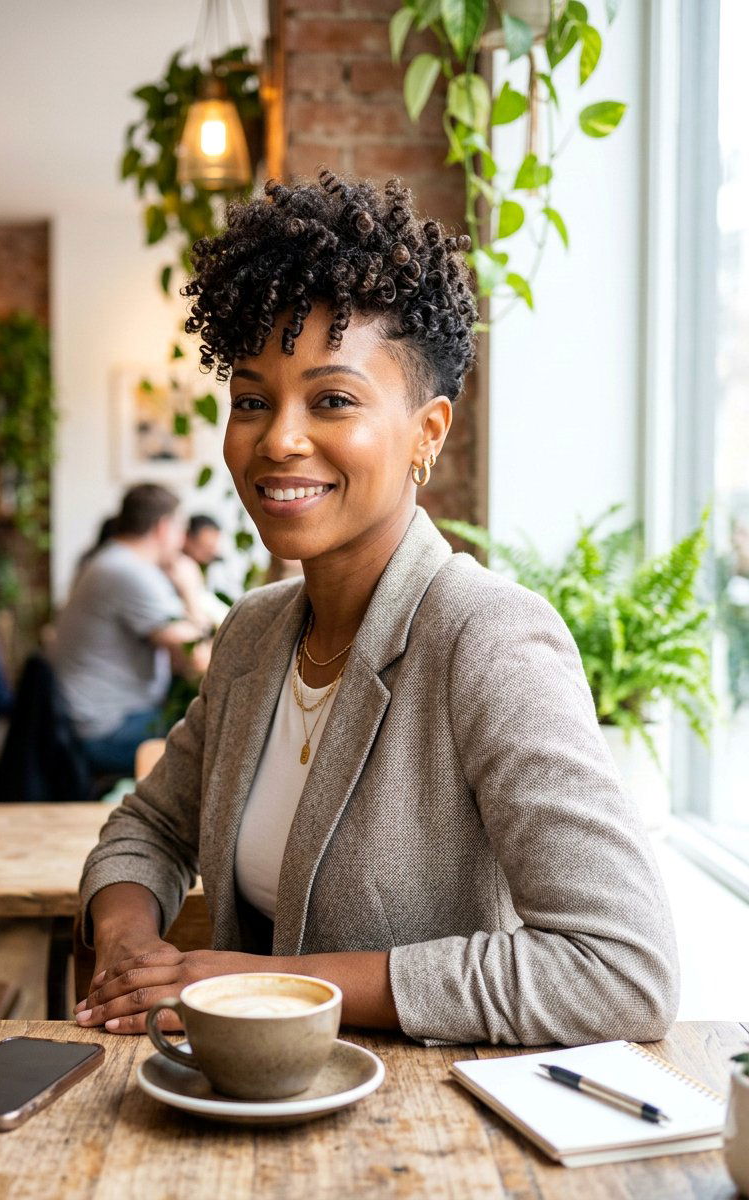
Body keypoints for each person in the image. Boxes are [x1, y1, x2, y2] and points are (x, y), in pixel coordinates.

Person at [75, 171, 678, 1047]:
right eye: (252, 400)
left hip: (433, 1143)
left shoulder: (487, 637)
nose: (278, 438)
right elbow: (149, 823)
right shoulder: (255, 632)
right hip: (250, 1117)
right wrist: (128, 945)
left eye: (332, 400)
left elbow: (623, 968)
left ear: (426, 434)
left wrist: (270, 985)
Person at [52, 484, 210, 776]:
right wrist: (192, 591)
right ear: (163, 528)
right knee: (216, 736)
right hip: (107, 729)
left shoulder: (110, 560)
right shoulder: (130, 573)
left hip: (90, 716)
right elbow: (200, 659)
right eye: (180, 529)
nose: (182, 540)